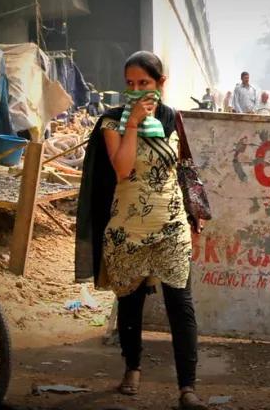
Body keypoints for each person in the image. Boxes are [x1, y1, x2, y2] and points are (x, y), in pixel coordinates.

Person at [76, 51, 208, 409]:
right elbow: (121, 169)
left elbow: (184, 172)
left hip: (170, 228)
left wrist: (194, 222)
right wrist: (132, 122)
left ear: (160, 84)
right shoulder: (111, 121)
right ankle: (132, 367)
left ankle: (187, 388)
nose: (136, 90)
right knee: (130, 302)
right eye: (130, 84)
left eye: (144, 83)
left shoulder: (173, 119)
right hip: (126, 230)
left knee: (180, 304)